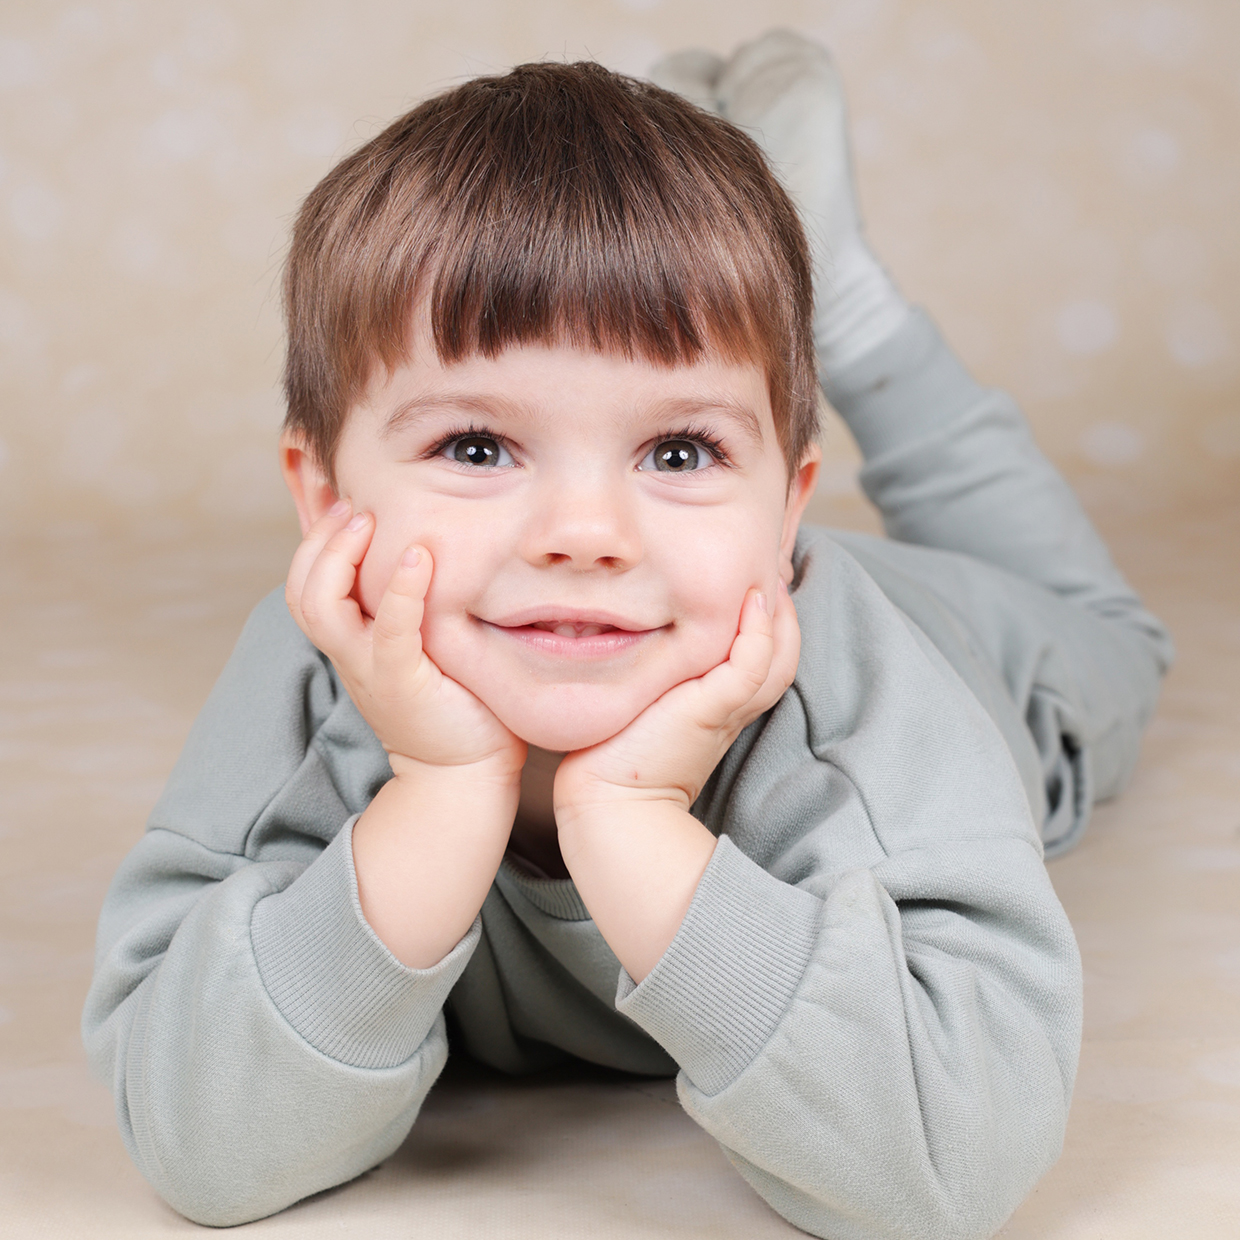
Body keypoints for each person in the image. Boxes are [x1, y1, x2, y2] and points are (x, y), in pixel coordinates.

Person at [82, 31, 1171, 1239]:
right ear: (328, 499)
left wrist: (629, 820)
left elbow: (943, 1167)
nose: (587, 532)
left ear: (789, 506)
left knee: (1113, 635)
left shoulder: (871, 714)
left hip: (975, 642)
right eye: (477, 447)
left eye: (678, 449)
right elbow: (204, 1144)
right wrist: (439, 793)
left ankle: (847, 307)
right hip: (685, 597)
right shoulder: (305, 681)